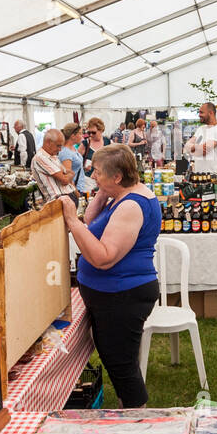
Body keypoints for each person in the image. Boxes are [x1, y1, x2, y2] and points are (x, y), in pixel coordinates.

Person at [61, 145, 161, 409]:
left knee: (122, 365)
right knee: (117, 359)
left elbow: (103, 257)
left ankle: (138, 420)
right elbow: (92, 222)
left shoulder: (131, 205)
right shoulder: (121, 195)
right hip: (113, 295)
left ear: (117, 176)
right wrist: (104, 192)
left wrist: (72, 222)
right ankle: (129, 411)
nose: (93, 175)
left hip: (122, 295)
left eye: (98, 172)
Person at [31, 128, 76, 204]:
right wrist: (69, 175)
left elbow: (68, 174)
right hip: (59, 200)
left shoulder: (53, 156)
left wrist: (69, 175)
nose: (60, 149)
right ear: (48, 142)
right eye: (58, 146)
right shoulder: (40, 157)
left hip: (67, 197)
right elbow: (65, 179)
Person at [184, 102, 217, 173]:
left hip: (212, 175)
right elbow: (186, 147)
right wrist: (196, 147)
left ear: (211, 113)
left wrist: (192, 148)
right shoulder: (201, 129)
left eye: (201, 112)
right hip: (198, 175)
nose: (199, 115)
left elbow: (205, 150)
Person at [60, 123, 94, 193]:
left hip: (80, 187)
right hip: (74, 190)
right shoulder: (66, 153)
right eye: (80, 133)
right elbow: (67, 177)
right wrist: (76, 192)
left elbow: (74, 170)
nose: (82, 136)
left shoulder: (73, 148)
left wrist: (84, 169)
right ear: (73, 136)